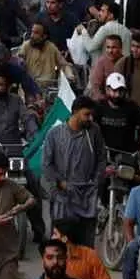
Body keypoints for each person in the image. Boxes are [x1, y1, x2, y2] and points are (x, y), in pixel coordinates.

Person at [41, 96, 106, 247]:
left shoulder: (94, 131)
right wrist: (61, 183)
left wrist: (96, 181)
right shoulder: (54, 134)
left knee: (86, 246)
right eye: (86, 114)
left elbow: (102, 159)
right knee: (62, 245)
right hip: (63, 198)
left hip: (87, 196)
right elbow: (47, 165)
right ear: (75, 112)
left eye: (91, 115)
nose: (90, 118)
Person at [46, 223, 118, 279]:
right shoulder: (52, 259)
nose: (52, 238)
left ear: (64, 239)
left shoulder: (90, 256)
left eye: (55, 234)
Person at [96, 72, 140, 155]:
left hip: (127, 155)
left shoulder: (131, 106)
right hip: (105, 155)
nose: (117, 95)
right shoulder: (99, 107)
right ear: (107, 89)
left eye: (120, 91)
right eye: (114, 90)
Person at [22, 238, 92, 279]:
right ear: (43, 260)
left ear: (66, 259)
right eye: (50, 257)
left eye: (60, 257)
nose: (55, 262)